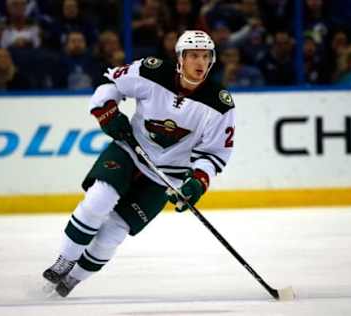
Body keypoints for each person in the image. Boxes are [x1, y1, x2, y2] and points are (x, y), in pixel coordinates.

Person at [42, 30, 236, 297]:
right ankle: (65, 259)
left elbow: (214, 154)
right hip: (130, 150)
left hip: (168, 175)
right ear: (180, 57)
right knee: (99, 199)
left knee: (113, 232)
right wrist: (106, 111)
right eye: (193, 55)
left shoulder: (220, 104)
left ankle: (73, 278)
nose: (199, 62)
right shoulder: (151, 71)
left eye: (205, 56)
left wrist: (198, 182)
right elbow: (111, 84)